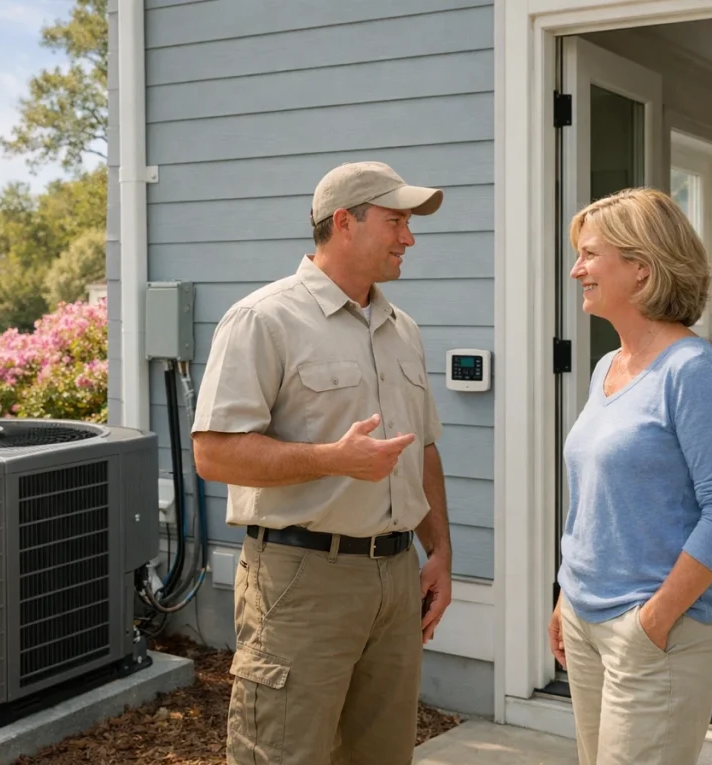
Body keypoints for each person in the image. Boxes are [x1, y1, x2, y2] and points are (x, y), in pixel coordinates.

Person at [190, 160, 454, 765]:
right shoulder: (263, 319)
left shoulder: (402, 329)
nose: (408, 238)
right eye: (396, 222)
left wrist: (438, 550)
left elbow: (424, 449)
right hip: (301, 581)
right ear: (344, 223)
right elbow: (213, 453)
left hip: (394, 579)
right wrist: (333, 460)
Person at [549, 187, 712, 765]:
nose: (576, 269)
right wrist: (567, 593)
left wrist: (654, 620)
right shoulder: (606, 367)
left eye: (590, 255)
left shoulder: (691, 371)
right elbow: (592, 498)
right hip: (589, 620)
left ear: (640, 269)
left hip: (661, 631)